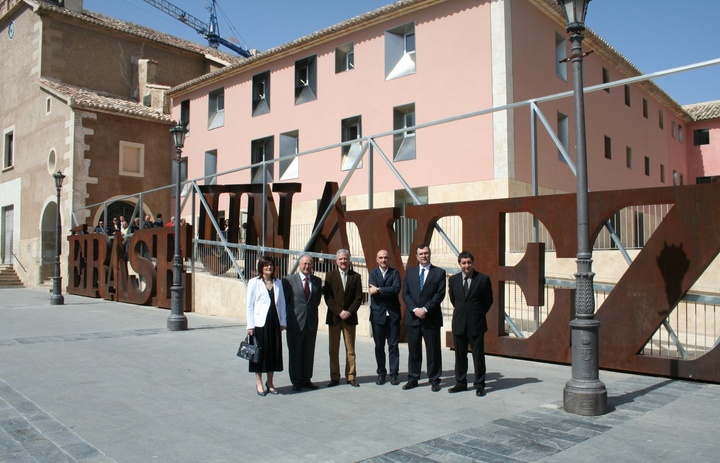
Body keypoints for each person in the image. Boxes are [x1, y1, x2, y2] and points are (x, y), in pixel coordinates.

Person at [401, 244, 446, 392]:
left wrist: (425, 309)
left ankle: (434, 379)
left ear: (430, 254)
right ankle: (413, 378)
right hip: (413, 317)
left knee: (433, 350)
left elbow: (439, 295)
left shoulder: (439, 273)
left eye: (426, 253)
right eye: (421, 254)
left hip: (431, 317)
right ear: (416, 256)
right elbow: (405, 293)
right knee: (414, 349)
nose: (424, 256)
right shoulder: (410, 272)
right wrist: (415, 309)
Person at [448, 251, 493, 397]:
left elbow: (488, 301)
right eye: (463, 263)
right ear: (459, 264)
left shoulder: (483, 279)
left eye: (469, 262)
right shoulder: (453, 280)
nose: (466, 265)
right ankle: (461, 383)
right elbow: (454, 300)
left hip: (476, 324)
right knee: (460, 356)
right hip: (459, 323)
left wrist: (477, 314)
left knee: (478, 356)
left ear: (473, 263)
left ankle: (479, 384)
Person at [246, 256, 287, 397]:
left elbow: (281, 303)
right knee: (258, 354)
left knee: (273, 353)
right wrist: (250, 325)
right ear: (261, 267)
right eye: (266, 265)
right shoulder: (254, 282)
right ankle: (258, 382)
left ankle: (270, 382)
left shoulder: (278, 283)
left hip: (274, 323)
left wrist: (283, 322)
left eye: (271, 265)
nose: (269, 267)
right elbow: (249, 305)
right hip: (259, 324)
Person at [323, 249, 363, 387]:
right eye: (340, 259)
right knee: (333, 349)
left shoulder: (356, 276)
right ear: (336, 261)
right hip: (334, 318)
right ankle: (334, 376)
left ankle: (351, 376)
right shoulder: (330, 276)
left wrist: (348, 312)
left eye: (345, 259)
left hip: (350, 318)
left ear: (349, 260)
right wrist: (339, 312)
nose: (343, 261)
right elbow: (328, 297)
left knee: (350, 349)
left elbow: (359, 297)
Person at [283, 255, 322, 391]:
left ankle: (307, 379)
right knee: (295, 352)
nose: (307, 266)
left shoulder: (317, 281)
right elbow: (285, 302)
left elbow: (316, 301)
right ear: (299, 265)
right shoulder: (289, 281)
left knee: (308, 352)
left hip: (311, 323)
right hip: (295, 323)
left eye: (310, 264)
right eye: (305, 264)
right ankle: (296, 381)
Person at [368, 249, 402, 386]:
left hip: (393, 314)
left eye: (386, 258)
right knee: (379, 346)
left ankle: (394, 374)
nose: (383, 260)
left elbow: (396, 289)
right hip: (378, 315)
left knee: (393, 345)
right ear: (377, 259)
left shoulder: (395, 273)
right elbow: (372, 292)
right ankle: (381, 373)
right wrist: (382, 291)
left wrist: (380, 289)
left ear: (388, 259)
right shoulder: (373, 273)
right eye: (381, 258)